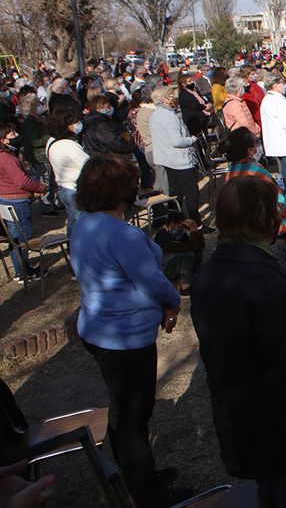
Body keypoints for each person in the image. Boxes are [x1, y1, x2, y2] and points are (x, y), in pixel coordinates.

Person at [191, 177, 286, 507]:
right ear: (268, 221)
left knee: (271, 493)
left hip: (240, 418)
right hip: (281, 427)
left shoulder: (208, 273)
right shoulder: (266, 280)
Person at [70, 154, 187, 507]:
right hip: (123, 338)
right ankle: (146, 492)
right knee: (134, 414)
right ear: (122, 190)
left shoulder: (83, 224)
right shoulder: (121, 234)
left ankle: (138, 474)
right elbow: (152, 279)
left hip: (99, 328)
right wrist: (174, 301)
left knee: (125, 409)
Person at [223, 128, 286, 265]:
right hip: (264, 233)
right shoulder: (256, 171)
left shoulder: (232, 170)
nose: (259, 147)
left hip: (242, 232)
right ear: (250, 150)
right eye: (256, 144)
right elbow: (279, 202)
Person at [149, 87, 204, 227]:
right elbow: (177, 140)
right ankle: (195, 223)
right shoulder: (168, 116)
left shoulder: (156, 114)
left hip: (168, 159)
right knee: (191, 192)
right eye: (172, 95)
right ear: (166, 99)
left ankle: (175, 222)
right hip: (179, 160)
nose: (175, 98)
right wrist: (191, 139)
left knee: (176, 193)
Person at [0, 124, 46, 280]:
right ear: (2, 140)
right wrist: (40, 187)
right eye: (12, 134)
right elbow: (21, 181)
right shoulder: (7, 158)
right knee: (22, 238)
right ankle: (24, 272)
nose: (17, 135)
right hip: (17, 202)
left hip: (7, 199)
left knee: (15, 237)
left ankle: (21, 270)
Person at [45, 108, 88, 236]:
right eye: (74, 122)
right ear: (65, 126)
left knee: (73, 221)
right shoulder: (68, 145)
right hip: (75, 188)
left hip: (64, 188)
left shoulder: (51, 141)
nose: (78, 124)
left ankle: (72, 245)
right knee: (81, 224)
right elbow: (87, 165)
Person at [152, 210, 205, 295]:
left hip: (175, 264)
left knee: (197, 254)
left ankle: (193, 278)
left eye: (180, 227)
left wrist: (196, 232)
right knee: (189, 255)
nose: (177, 230)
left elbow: (199, 247)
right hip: (165, 269)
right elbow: (191, 247)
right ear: (167, 226)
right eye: (174, 227)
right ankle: (185, 286)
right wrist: (194, 230)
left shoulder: (183, 235)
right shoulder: (163, 237)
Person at [176, 72, 212, 137]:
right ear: (183, 84)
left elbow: (203, 100)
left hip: (202, 115)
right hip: (194, 119)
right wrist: (206, 107)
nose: (192, 82)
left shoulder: (195, 90)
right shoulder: (184, 94)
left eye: (192, 80)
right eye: (189, 81)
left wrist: (208, 104)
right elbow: (195, 105)